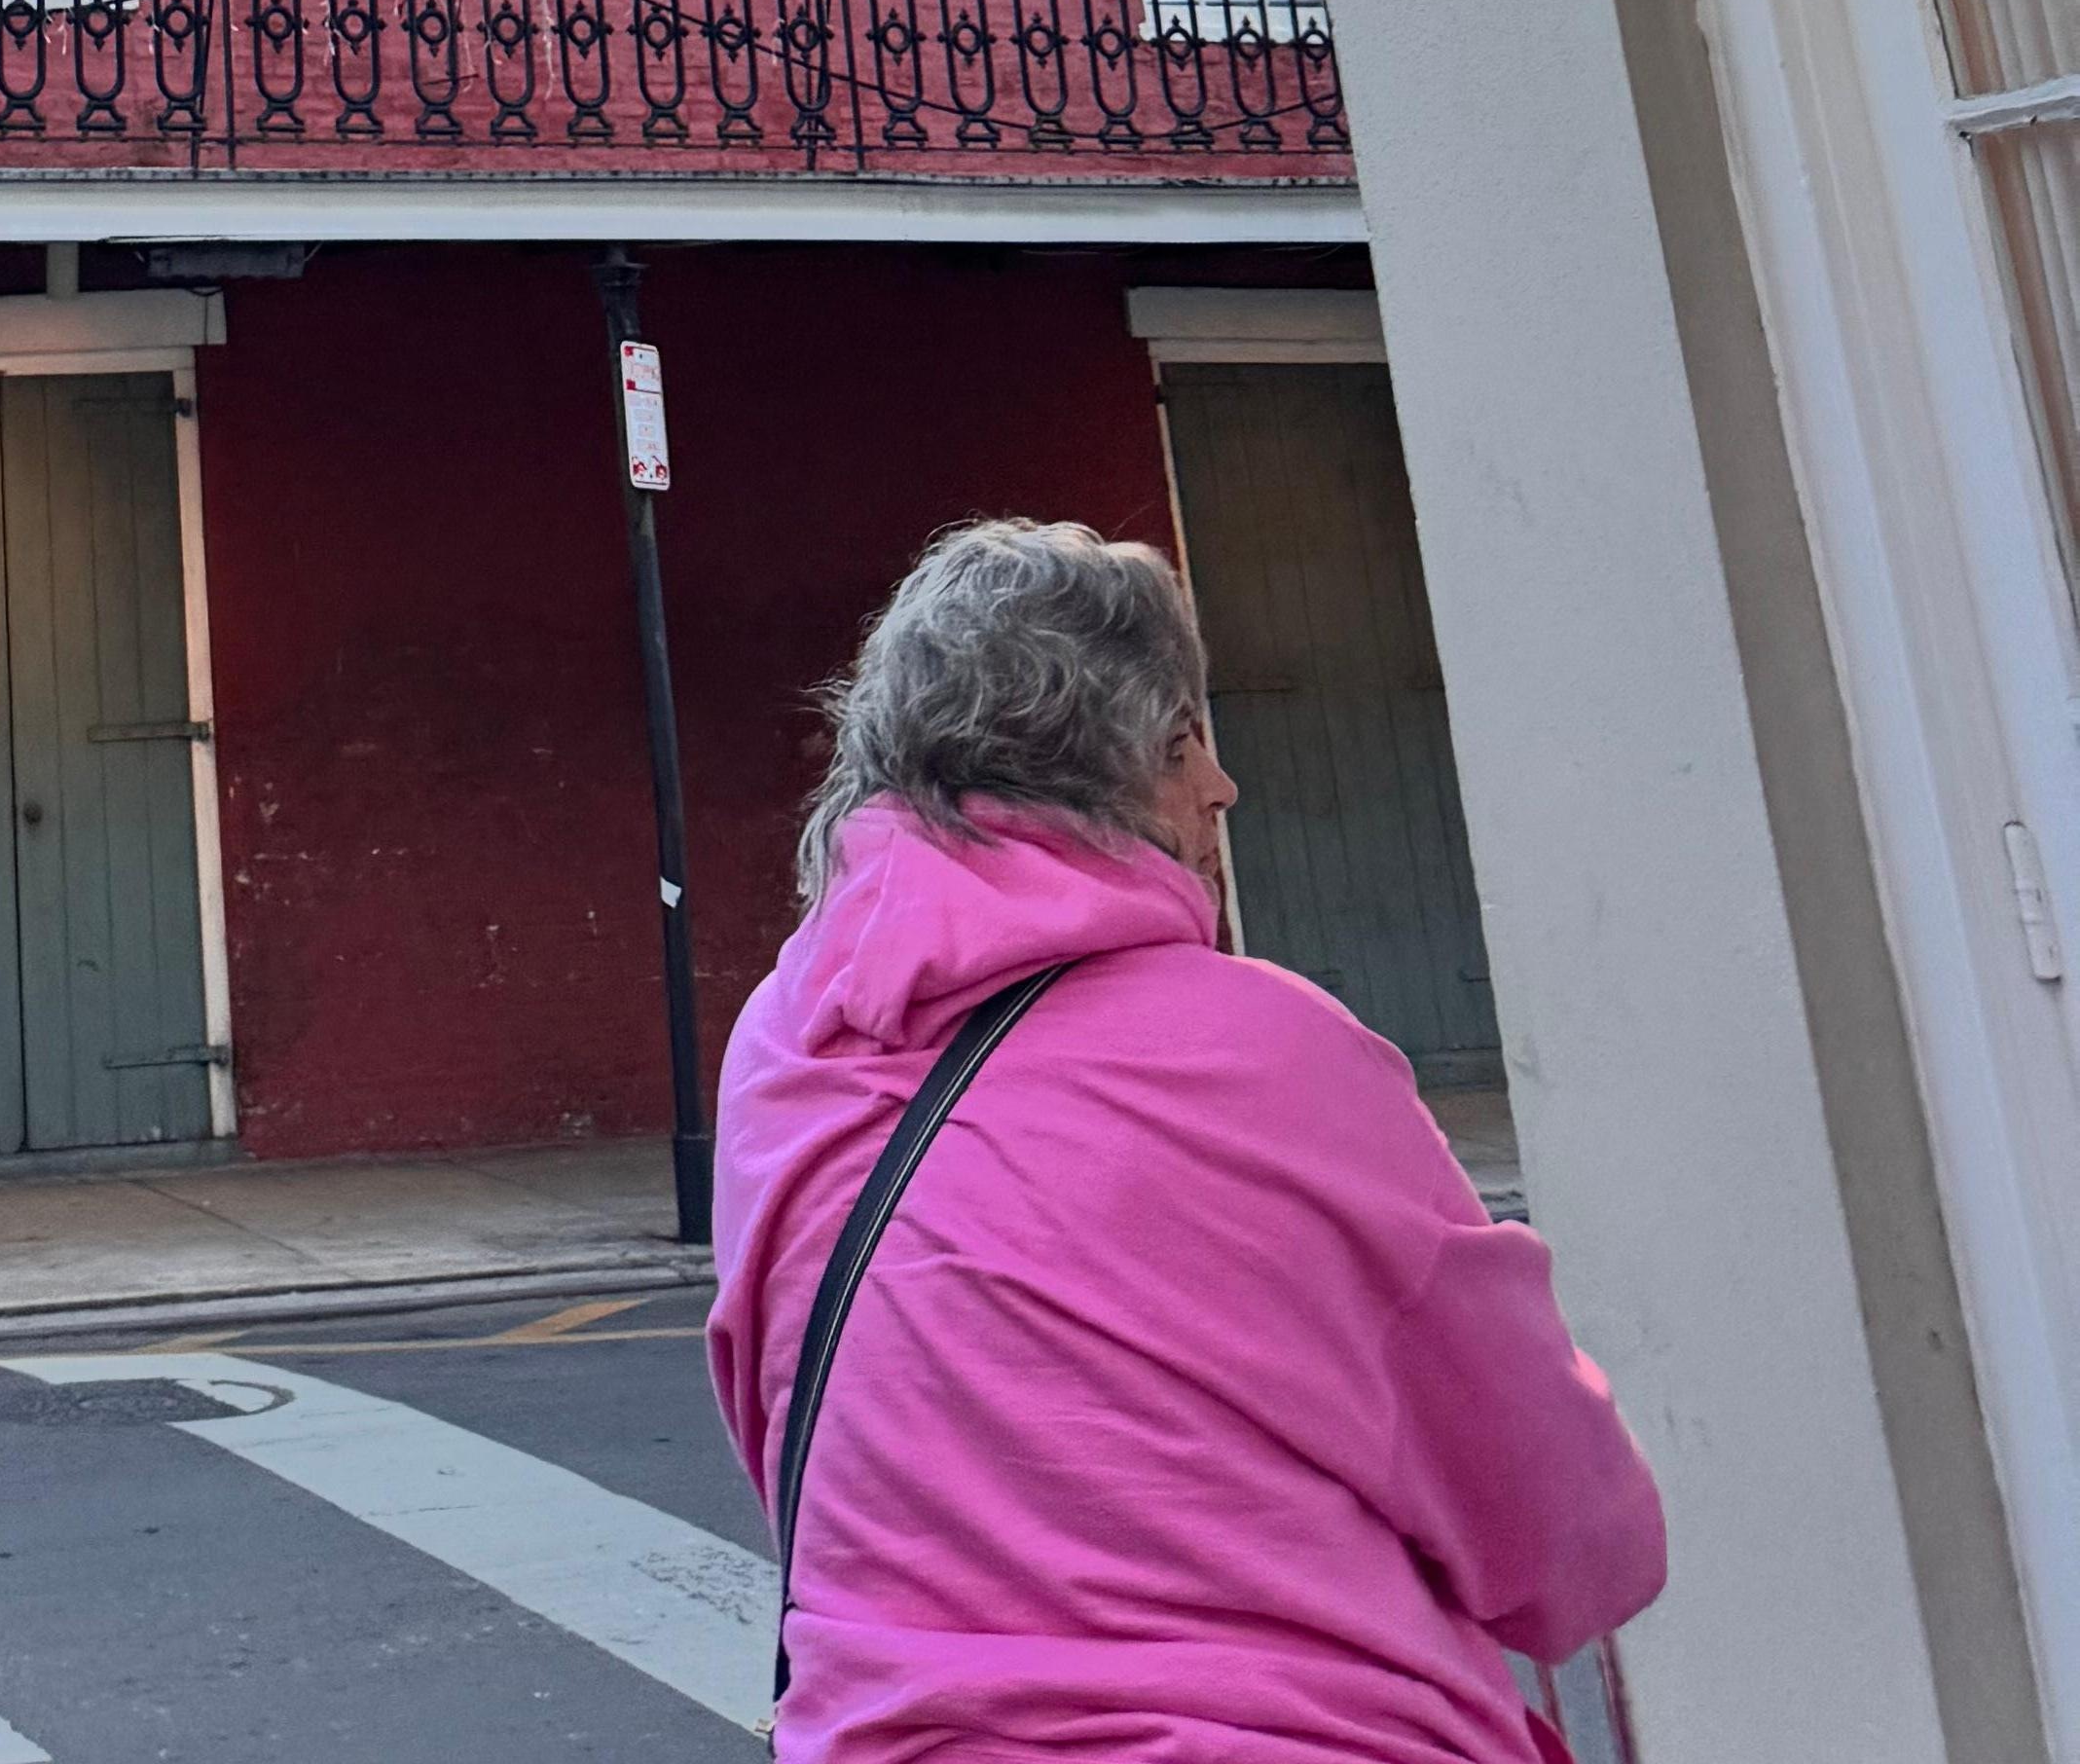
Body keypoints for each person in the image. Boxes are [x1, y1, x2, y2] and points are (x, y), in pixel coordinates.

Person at [712, 515, 1663, 1764]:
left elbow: (794, 1429)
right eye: (1180, 742)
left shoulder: (783, 1048)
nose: (1221, 785)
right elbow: (1564, 1537)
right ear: (1107, 777)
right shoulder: (1269, 1052)